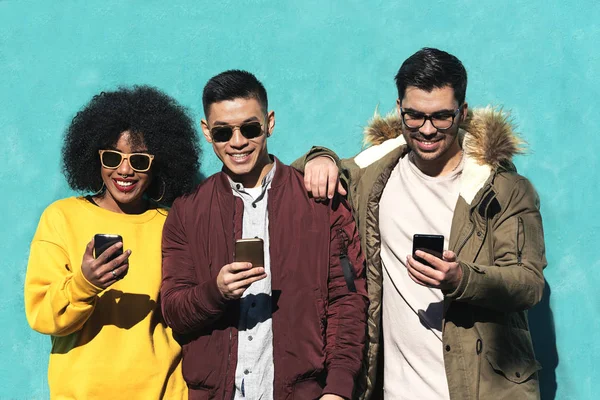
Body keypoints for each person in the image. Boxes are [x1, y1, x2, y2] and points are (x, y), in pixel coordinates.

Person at [299, 48, 547, 399]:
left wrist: (462, 278)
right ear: (399, 108)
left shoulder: (502, 188)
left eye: (441, 117)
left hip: (482, 390)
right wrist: (320, 158)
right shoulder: (373, 173)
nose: (427, 130)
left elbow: (528, 283)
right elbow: (298, 176)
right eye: (414, 116)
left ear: (462, 112)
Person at [160, 70, 369, 400]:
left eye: (250, 128)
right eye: (223, 132)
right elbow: (173, 311)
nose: (238, 141)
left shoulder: (319, 201)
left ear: (269, 122)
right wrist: (216, 291)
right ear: (206, 132)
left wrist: (338, 389)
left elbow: (347, 301)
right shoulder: (187, 212)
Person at [24, 85, 201, 399]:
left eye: (139, 161)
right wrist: (84, 284)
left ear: (158, 164)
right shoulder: (61, 218)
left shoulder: (172, 224)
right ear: (95, 157)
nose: (124, 170)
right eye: (112, 157)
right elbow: (41, 314)